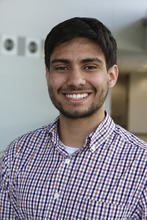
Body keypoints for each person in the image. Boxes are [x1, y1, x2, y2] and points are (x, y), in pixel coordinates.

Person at [0, 17, 146, 219]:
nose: (75, 80)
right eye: (62, 67)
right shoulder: (17, 154)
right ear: (48, 75)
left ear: (111, 76)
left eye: (89, 66)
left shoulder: (142, 166)